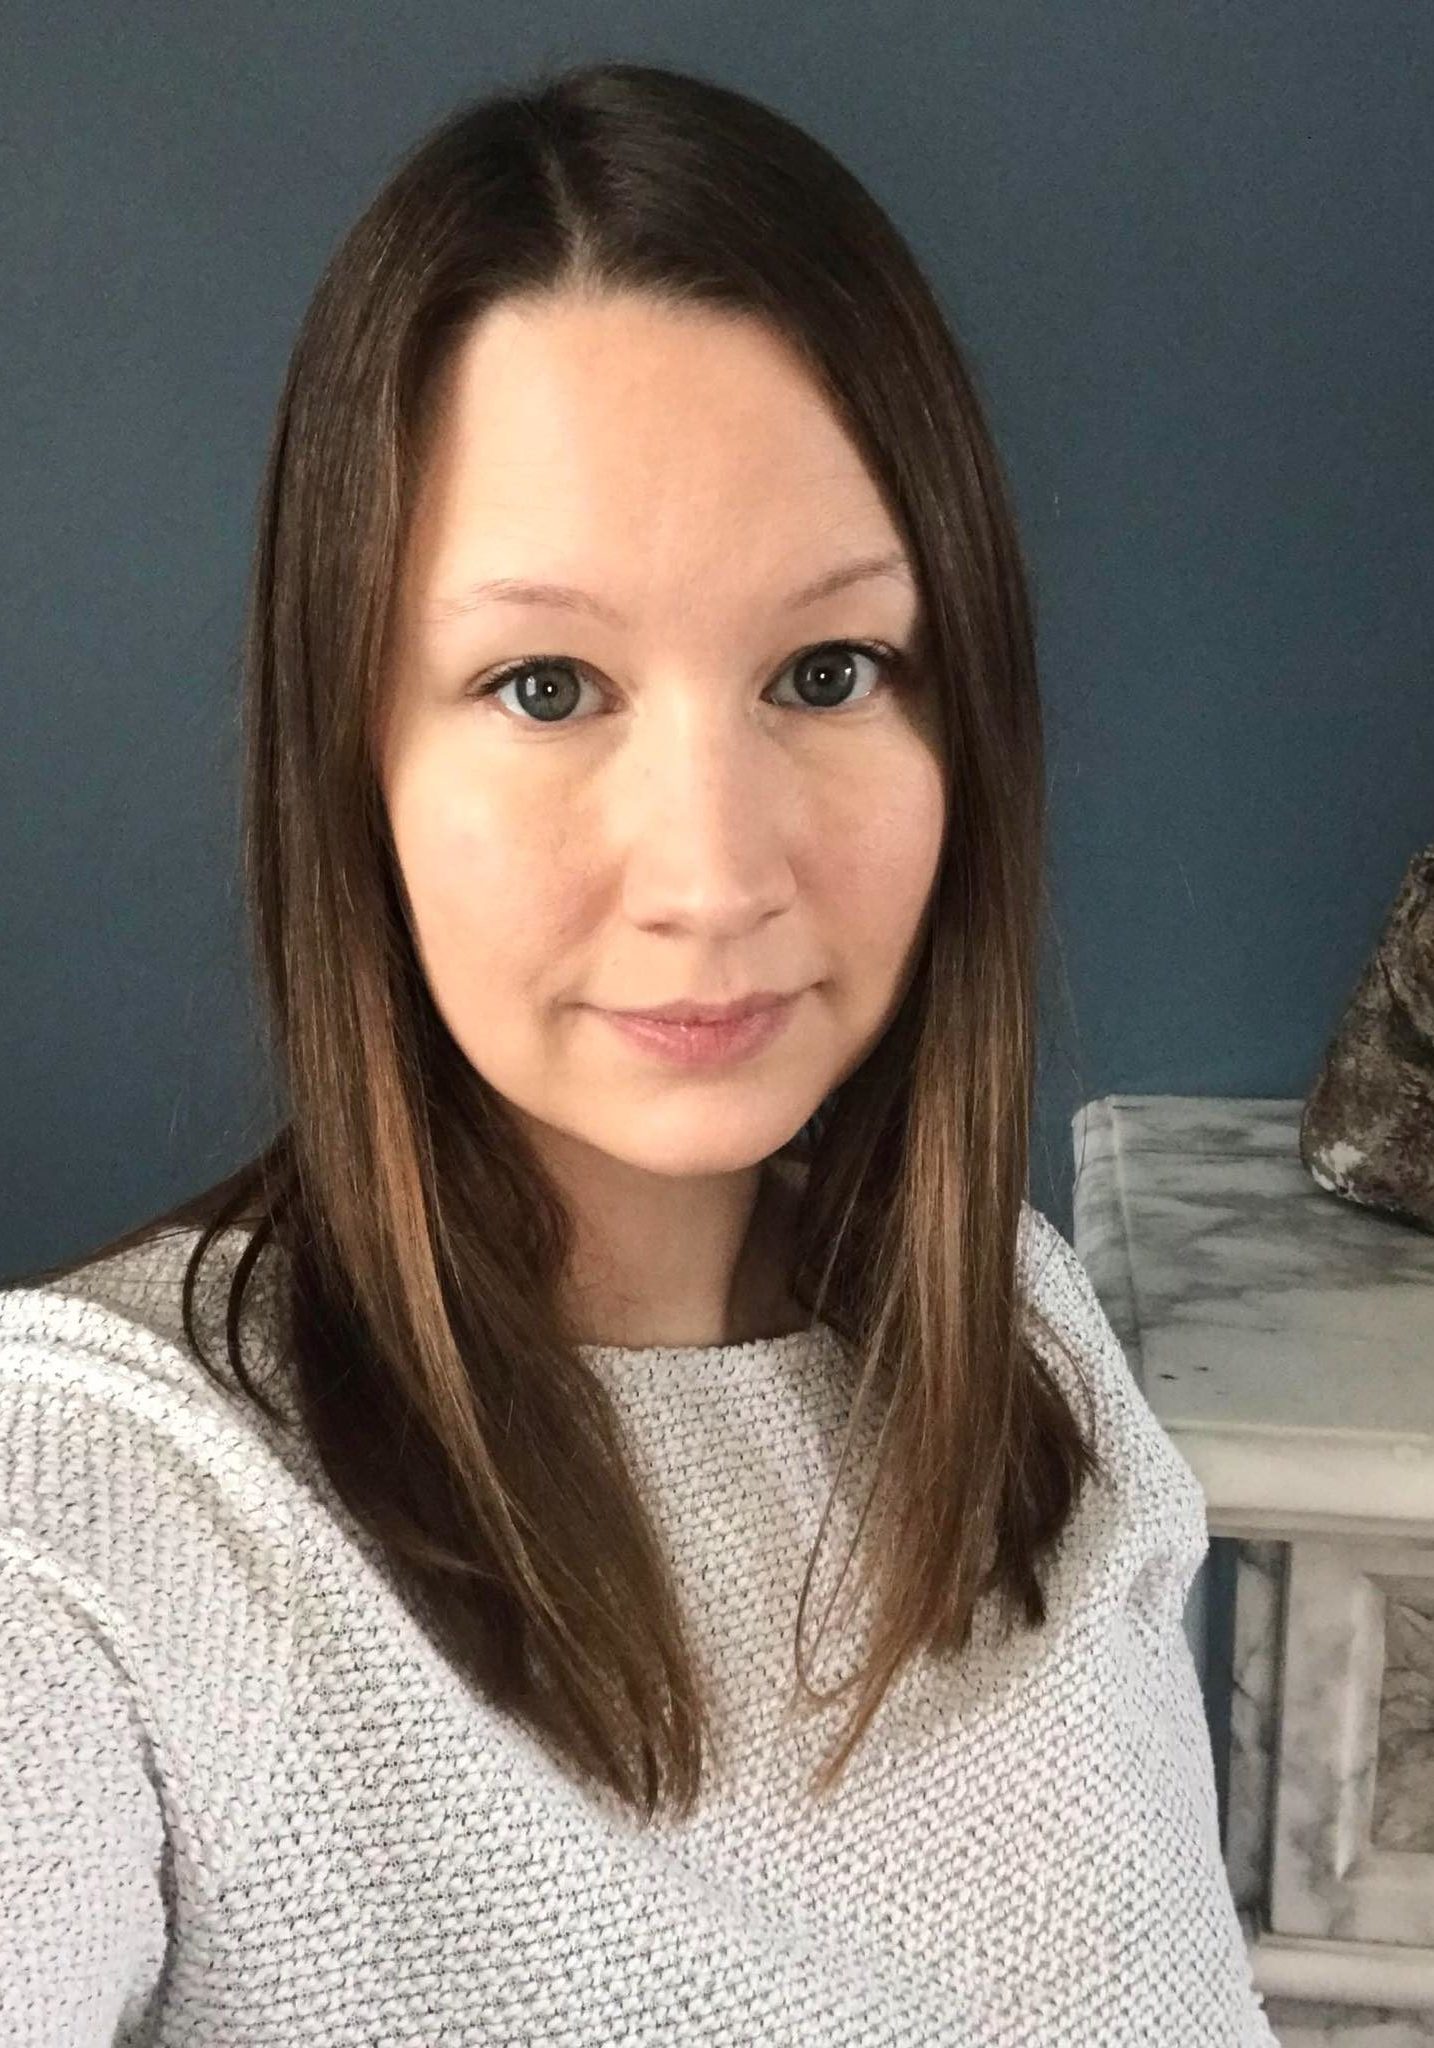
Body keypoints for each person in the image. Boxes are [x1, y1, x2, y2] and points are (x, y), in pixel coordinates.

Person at [0, 58, 1276, 2045]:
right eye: (545, 685)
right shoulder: (93, 1503)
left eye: (827, 671)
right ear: (354, 757)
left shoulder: (1022, 1352)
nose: (710, 874)